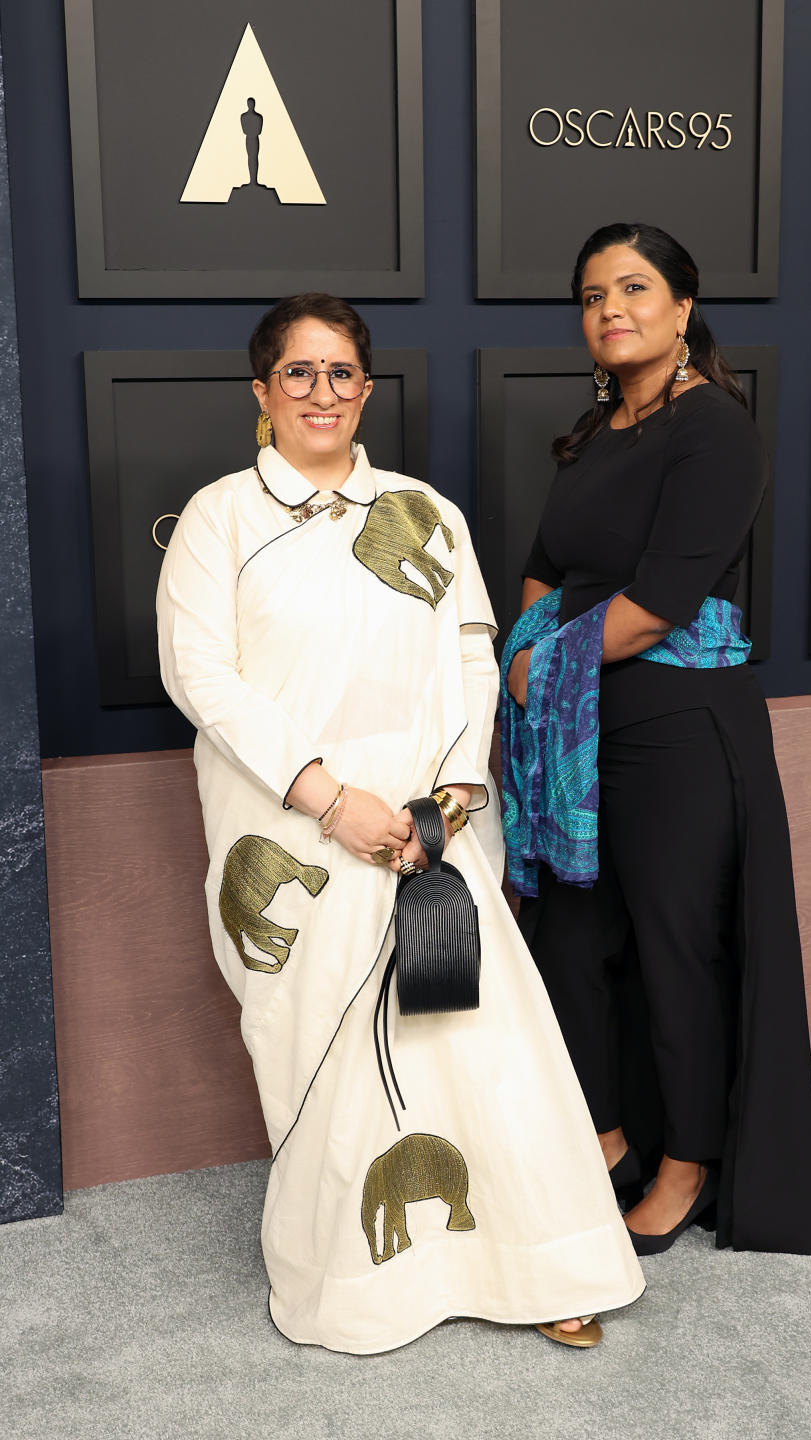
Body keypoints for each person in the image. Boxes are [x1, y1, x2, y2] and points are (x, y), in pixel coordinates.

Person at [156, 292, 644, 1354]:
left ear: (366, 389)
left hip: (432, 829)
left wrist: (448, 800)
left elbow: (476, 653)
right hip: (295, 836)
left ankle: (543, 1263)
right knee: (332, 1059)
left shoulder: (425, 512)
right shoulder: (218, 520)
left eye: (341, 373)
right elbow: (204, 678)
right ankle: (360, 1288)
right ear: (261, 390)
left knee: (484, 1045)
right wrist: (335, 803)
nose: (321, 392)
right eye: (298, 371)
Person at [503, 224, 811, 1257]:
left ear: (684, 307)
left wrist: (538, 667)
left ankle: (689, 1168)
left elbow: (654, 607)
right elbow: (545, 565)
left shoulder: (714, 430)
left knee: (674, 950)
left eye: (634, 287)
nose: (610, 307)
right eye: (593, 292)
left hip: (680, 732)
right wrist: (527, 649)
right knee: (565, 937)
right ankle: (609, 1140)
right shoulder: (598, 429)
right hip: (582, 731)